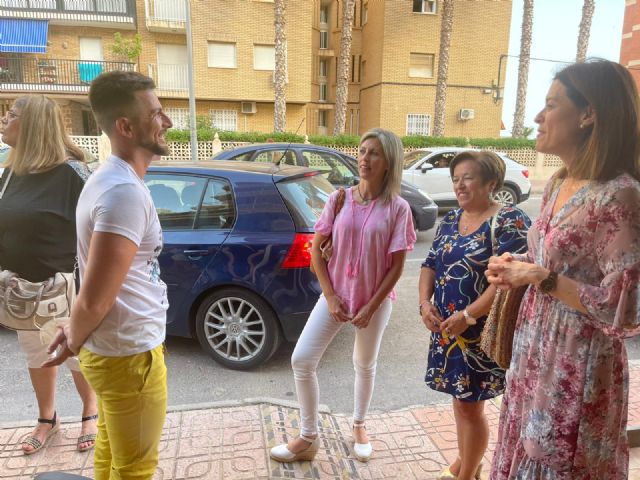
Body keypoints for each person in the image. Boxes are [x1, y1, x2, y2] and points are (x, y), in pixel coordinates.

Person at [486, 60, 640, 479]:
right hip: (534, 346)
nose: (538, 116)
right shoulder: (557, 181)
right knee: (523, 447)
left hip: (578, 358)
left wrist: (541, 278)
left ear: (588, 114)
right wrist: (518, 266)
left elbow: (625, 308)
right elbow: (554, 259)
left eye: (552, 104)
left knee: (557, 459)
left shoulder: (619, 196)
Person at [43, 71, 173, 479]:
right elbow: (98, 297)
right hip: (129, 356)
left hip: (115, 351)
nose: (167, 121)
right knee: (134, 468)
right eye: (156, 113)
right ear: (125, 127)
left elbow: (93, 279)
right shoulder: (123, 193)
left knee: (111, 452)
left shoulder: (110, 179)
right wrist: (74, 338)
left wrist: (75, 331)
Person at [270, 128, 416, 463]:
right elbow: (316, 249)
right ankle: (308, 437)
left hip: (374, 301)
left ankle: (360, 425)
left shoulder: (398, 208)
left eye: (374, 153)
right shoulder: (339, 199)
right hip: (335, 294)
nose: (365, 158)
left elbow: (396, 267)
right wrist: (330, 296)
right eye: (362, 151)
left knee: (364, 363)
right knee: (302, 360)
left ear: (388, 161)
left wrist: (371, 306)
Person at [419, 150, 530, 480]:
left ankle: (466, 473)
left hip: (480, 332)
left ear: (491, 183)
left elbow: (507, 279)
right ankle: (468, 462)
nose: (459, 185)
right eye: (456, 179)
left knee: (470, 406)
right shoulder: (451, 219)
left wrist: (467, 315)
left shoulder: (509, 220)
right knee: (461, 402)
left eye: (468, 178)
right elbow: (430, 263)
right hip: (448, 330)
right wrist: (424, 304)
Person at [0, 95, 97, 455]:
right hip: (20, 289)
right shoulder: (10, 174)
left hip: (63, 288)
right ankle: (47, 419)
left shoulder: (72, 174)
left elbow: (99, 231)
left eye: (11, 115)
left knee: (75, 354)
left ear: (33, 126)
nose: (3, 120)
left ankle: (90, 412)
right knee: (35, 355)